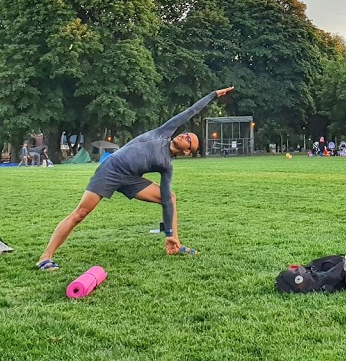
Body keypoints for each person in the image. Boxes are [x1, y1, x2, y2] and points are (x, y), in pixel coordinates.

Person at [36, 86, 234, 270]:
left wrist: (167, 233)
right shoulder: (164, 132)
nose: (185, 136)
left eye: (190, 140)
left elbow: (165, 200)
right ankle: (45, 257)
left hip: (131, 179)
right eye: (187, 134)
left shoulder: (166, 166)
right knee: (80, 214)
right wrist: (213, 95)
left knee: (170, 198)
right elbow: (190, 111)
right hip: (112, 169)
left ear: (187, 152)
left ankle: (174, 243)